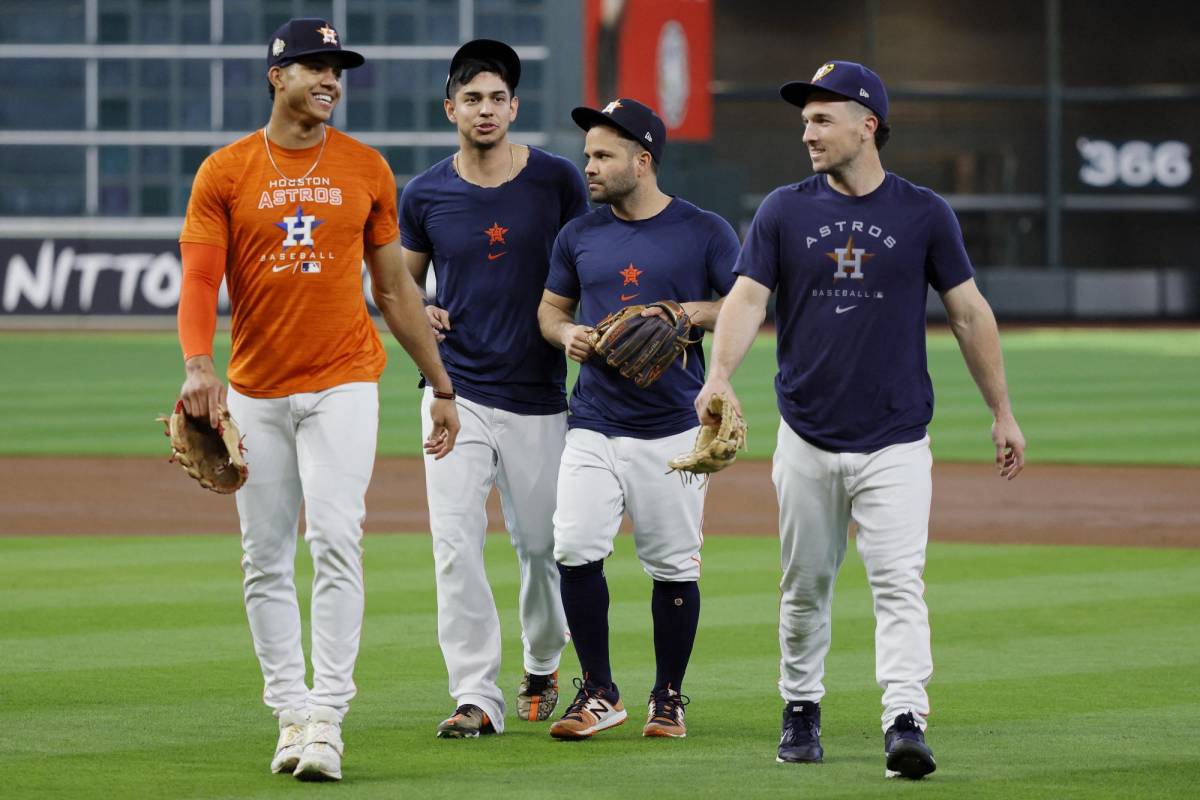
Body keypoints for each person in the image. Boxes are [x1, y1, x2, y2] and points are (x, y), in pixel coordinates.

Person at [695, 61, 1027, 778]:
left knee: (900, 582)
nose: (806, 131)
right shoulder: (784, 210)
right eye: (804, 119)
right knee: (806, 584)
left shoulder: (924, 212)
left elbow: (969, 312)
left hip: (897, 437)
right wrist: (719, 375)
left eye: (821, 118)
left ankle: (905, 719)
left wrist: (1002, 411)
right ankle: (801, 706)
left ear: (866, 124)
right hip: (807, 435)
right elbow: (749, 299)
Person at [175, 18, 459, 782]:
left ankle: (328, 716)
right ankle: (291, 713)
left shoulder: (366, 168)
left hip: (343, 381)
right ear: (277, 76)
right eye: (315, 66)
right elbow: (200, 280)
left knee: (336, 538)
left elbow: (394, 286)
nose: (331, 79)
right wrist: (199, 365)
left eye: (338, 68)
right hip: (256, 390)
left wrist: (440, 384)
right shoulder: (226, 171)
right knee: (263, 556)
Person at [399, 39, 589, 738]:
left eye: (497, 97)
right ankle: (477, 695)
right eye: (472, 98)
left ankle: (542, 659)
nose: (485, 108)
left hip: (539, 392)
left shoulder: (557, 181)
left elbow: (587, 262)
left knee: (543, 547)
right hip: (455, 391)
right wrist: (418, 310)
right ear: (451, 108)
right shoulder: (424, 193)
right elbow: (395, 285)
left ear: (515, 107)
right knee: (455, 544)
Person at [538, 99, 739, 740]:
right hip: (593, 419)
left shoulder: (704, 229)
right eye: (589, 154)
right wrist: (565, 331)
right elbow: (550, 308)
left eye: (603, 155)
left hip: (672, 427)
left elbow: (743, 306)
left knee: (674, 565)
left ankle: (668, 697)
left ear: (642, 160)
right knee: (572, 546)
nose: (589, 166)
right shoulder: (579, 234)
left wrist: (681, 314)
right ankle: (599, 691)